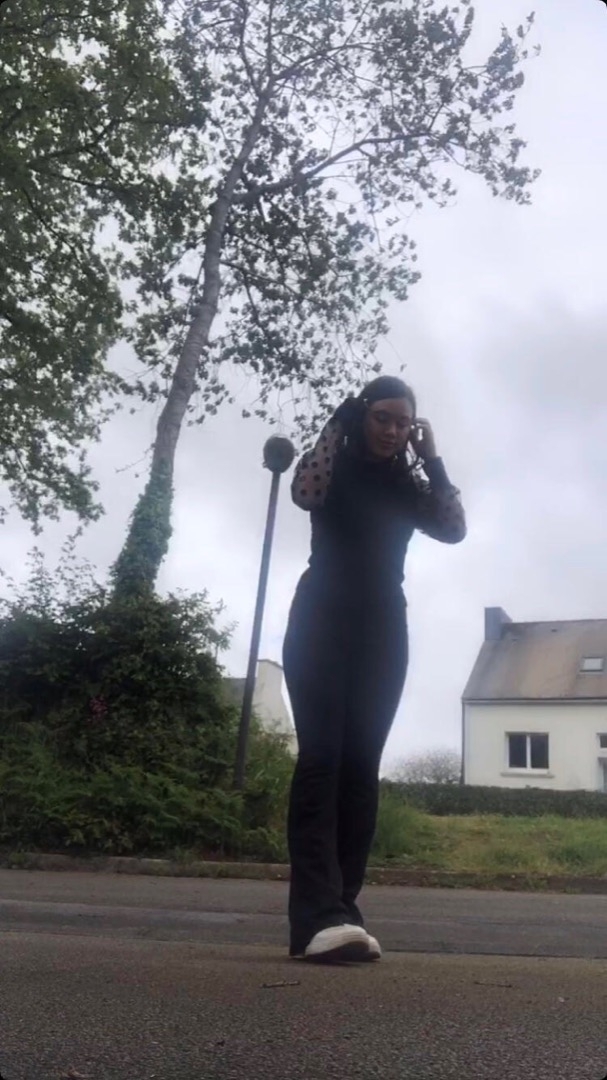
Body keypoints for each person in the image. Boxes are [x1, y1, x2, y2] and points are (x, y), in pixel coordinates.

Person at [283, 375, 466, 963]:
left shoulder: (408, 485)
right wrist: (336, 424)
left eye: (403, 422)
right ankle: (315, 917)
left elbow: (454, 529)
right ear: (363, 416)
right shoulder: (333, 469)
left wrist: (432, 459)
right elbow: (304, 493)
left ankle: (343, 912)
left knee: (361, 768)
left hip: (384, 629)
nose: (392, 430)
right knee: (322, 761)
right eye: (382, 417)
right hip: (320, 620)